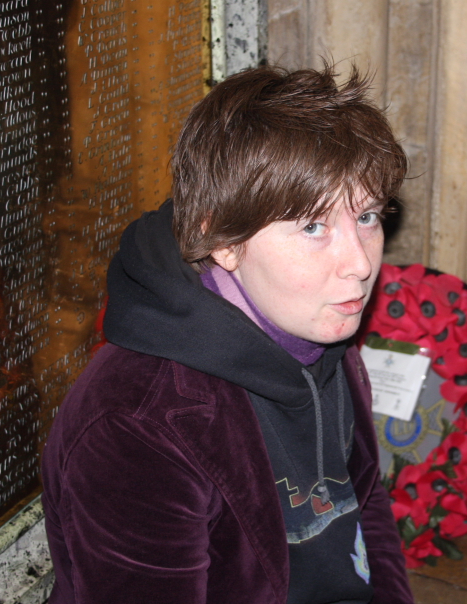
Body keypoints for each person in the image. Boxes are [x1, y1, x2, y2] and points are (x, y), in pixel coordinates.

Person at [41, 64, 415, 604]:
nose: (359, 263)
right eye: (313, 226)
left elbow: (364, 508)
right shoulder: (137, 424)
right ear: (220, 239)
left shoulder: (322, 334)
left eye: (368, 217)